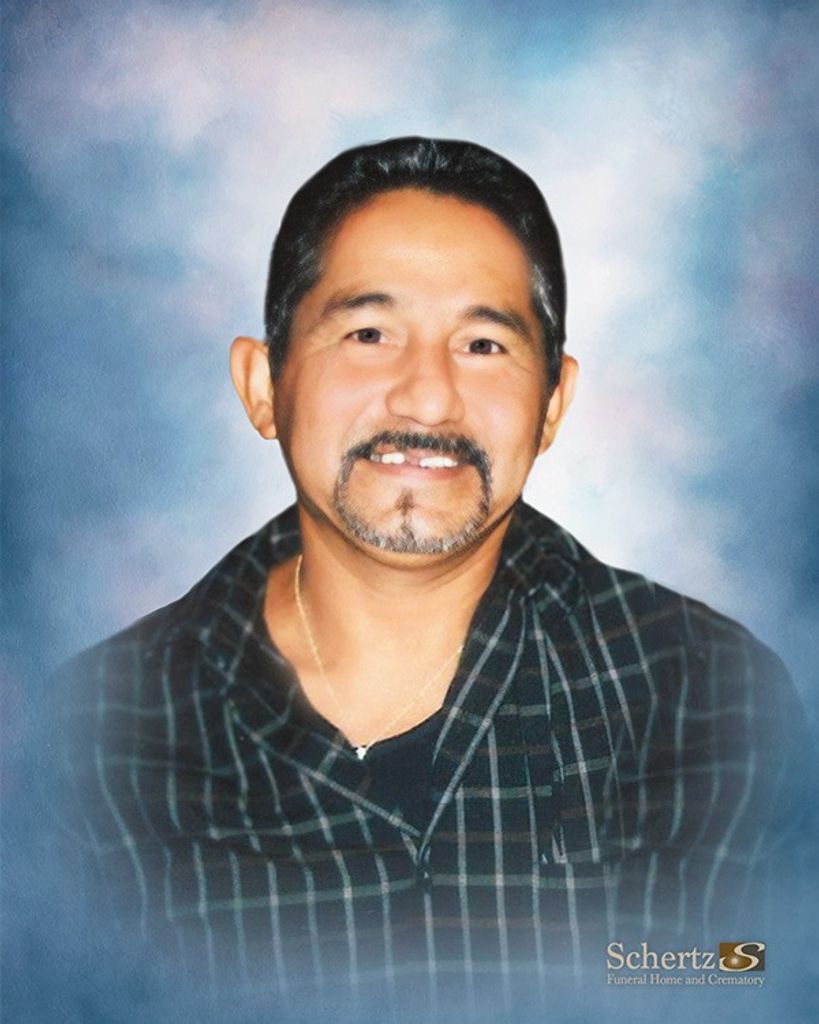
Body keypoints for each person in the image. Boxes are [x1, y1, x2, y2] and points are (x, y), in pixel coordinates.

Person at [50, 137, 806, 1019]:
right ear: (262, 386)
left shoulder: (704, 700)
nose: (428, 398)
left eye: (482, 344)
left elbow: (753, 978)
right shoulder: (100, 739)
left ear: (552, 405)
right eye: (368, 334)